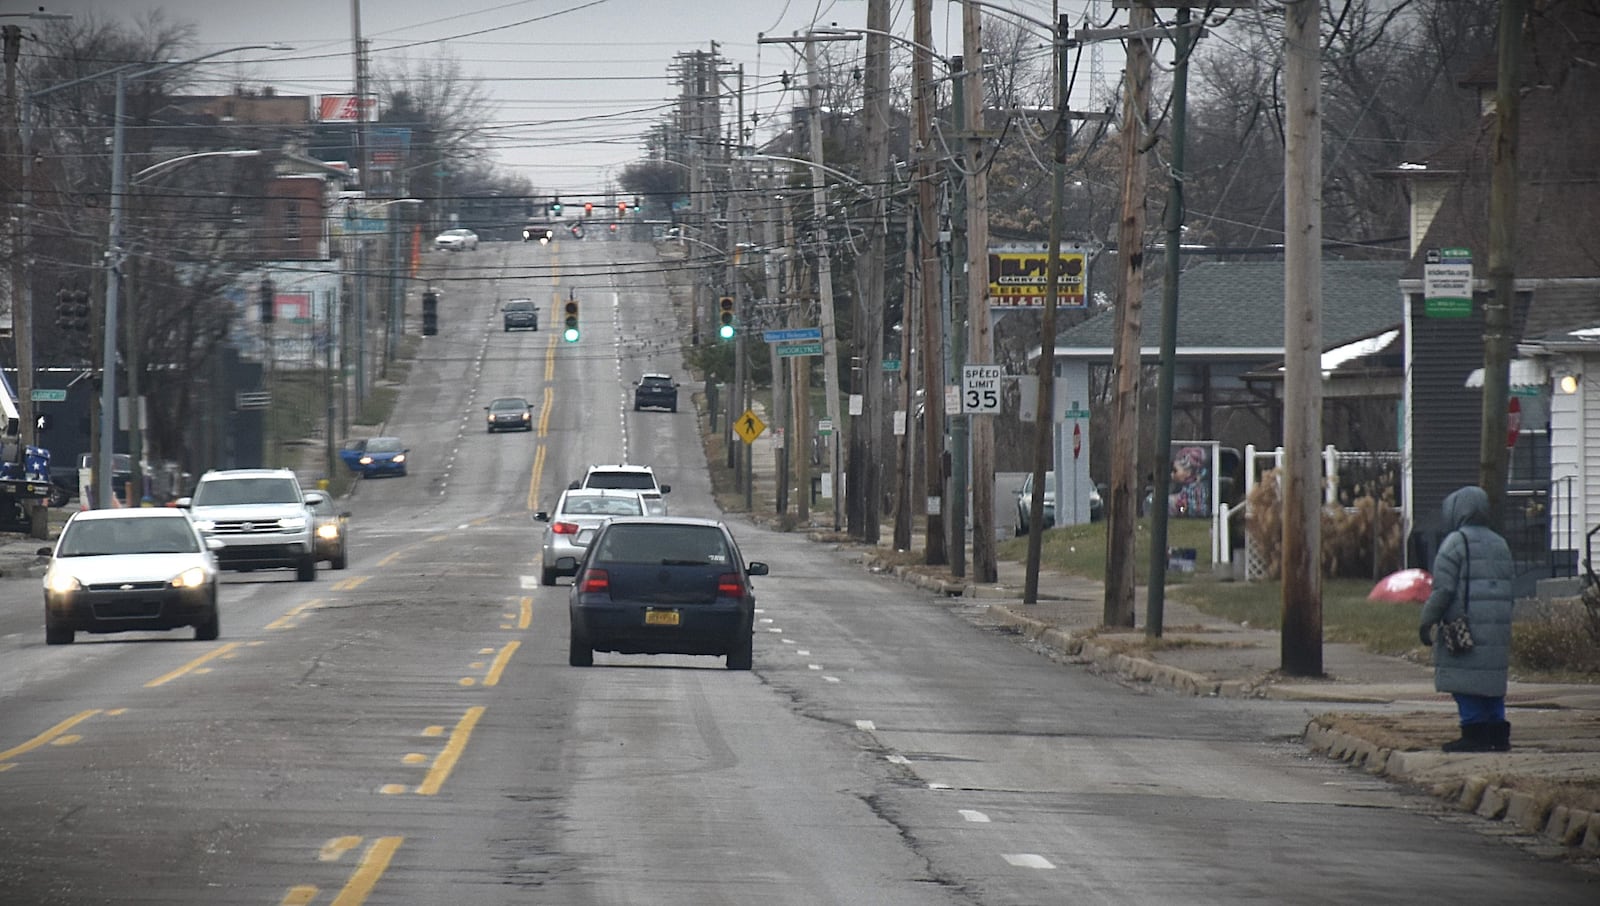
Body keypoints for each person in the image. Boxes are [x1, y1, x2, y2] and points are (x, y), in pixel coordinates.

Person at [1418, 486, 1516, 753]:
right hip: (1497, 626)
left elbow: (1444, 589)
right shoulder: (1500, 543)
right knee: (1491, 681)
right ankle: (1497, 732)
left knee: (1466, 680)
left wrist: (1427, 620)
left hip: (1466, 625)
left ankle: (1473, 731)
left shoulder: (1455, 543)